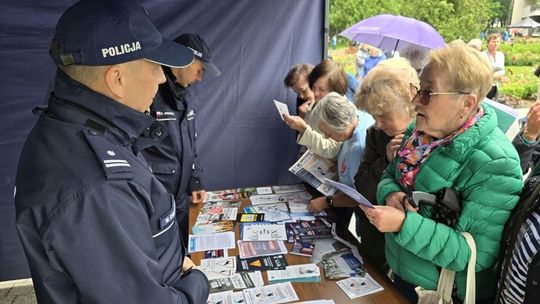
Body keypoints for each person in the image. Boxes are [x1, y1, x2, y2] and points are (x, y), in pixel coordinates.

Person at [14, 1, 209, 303]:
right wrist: (196, 283)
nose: (161, 78)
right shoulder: (99, 187)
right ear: (117, 79)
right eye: (155, 65)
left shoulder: (73, 126)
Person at [361, 41, 522, 303]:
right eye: (417, 89)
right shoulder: (419, 134)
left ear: (466, 104)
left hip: (439, 294)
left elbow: (472, 256)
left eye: (427, 93)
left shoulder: (495, 162)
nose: (414, 102)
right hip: (404, 275)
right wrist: (392, 196)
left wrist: (404, 224)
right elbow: (390, 175)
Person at [307, 58, 418, 271]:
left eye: (383, 116)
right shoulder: (376, 134)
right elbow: (363, 186)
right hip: (375, 233)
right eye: (375, 116)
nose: (378, 123)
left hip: (405, 245)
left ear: (409, 105)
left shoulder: (423, 140)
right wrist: (384, 160)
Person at [142, 33, 220, 245]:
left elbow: (190, 146)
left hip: (180, 199)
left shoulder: (185, 95)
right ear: (182, 61)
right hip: (154, 200)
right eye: (199, 70)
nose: (200, 78)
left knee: (184, 251)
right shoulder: (148, 92)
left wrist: (195, 182)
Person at [283, 59, 348, 160]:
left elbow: (332, 150)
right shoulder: (316, 102)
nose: (316, 93)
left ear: (335, 90)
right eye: (313, 87)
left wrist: (304, 129)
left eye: (321, 89)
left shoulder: (339, 110)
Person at [482, 33, 508, 100]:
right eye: (493, 42)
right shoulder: (482, 55)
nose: (496, 44)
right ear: (488, 43)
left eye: (498, 42)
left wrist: (502, 77)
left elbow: (502, 71)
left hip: (496, 87)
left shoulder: (501, 55)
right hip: (485, 86)